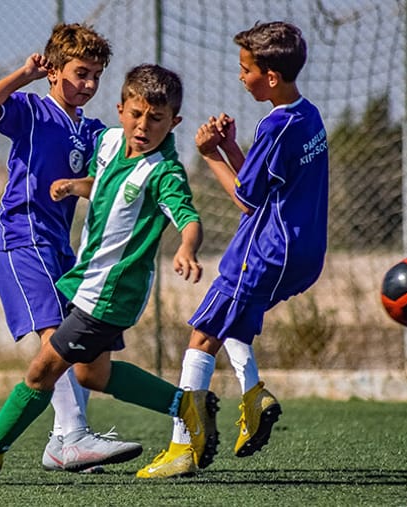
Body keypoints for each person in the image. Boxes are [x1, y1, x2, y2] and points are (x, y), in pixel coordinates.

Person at [0, 63, 220, 485]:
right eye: (136, 114)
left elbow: (187, 217)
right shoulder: (110, 143)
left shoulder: (163, 171)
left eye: (156, 119)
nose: (144, 126)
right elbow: (103, 183)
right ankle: (187, 405)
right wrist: (74, 186)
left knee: (41, 371)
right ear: (121, 109)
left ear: (173, 121)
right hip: (85, 284)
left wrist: (187, 248)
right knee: (92, 373)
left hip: (109, 295)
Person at [137, 21, 329, 478]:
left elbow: (246, 198)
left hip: (265, 250)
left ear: (271, 77)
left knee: (202, 334)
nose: (241, 77)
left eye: (246, 70)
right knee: (234, 321)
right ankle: (254, 395)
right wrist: (230, 146)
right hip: (304, 254)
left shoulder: (276, 125)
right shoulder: (310, 117)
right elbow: (267, 184)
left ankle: (182, 448)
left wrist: (207, 153)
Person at [0, 22, 142, 473]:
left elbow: (107, 182)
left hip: (60, 249)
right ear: (54, 71)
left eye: (96, 76)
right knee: (57, 337)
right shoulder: (30, 111)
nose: (87, 84)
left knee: (78, 344)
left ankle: (63, 439)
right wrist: (22, 74)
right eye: (80, 73)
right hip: (22, 239)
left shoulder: (95, 131)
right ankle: (73, 436)